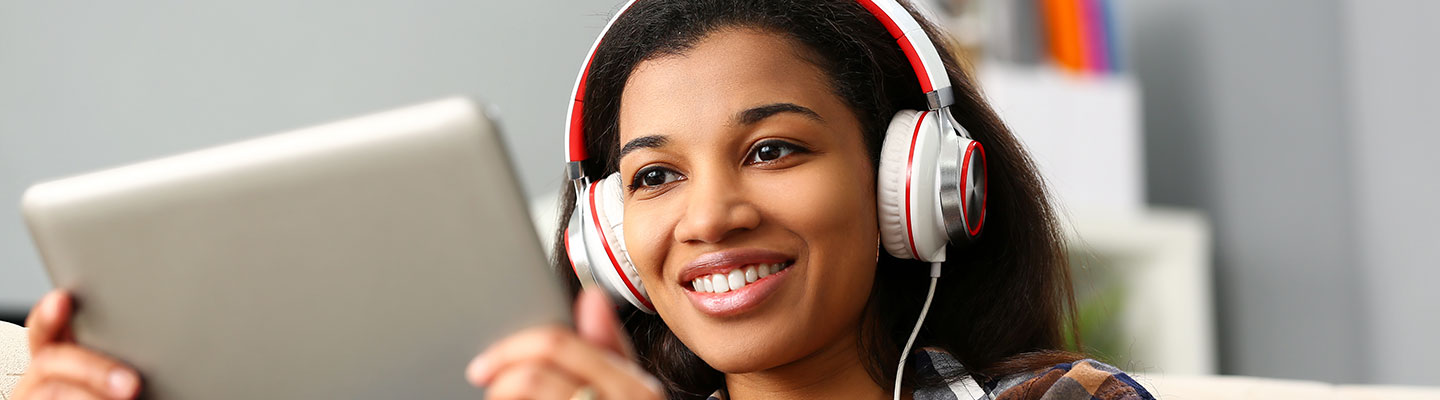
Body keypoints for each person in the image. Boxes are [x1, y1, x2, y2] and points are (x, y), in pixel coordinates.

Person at [13, 1, 1156, 399]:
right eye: (652, 175)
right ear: (605, 237)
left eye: (772, 151)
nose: (708, 216)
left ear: (914, 179)